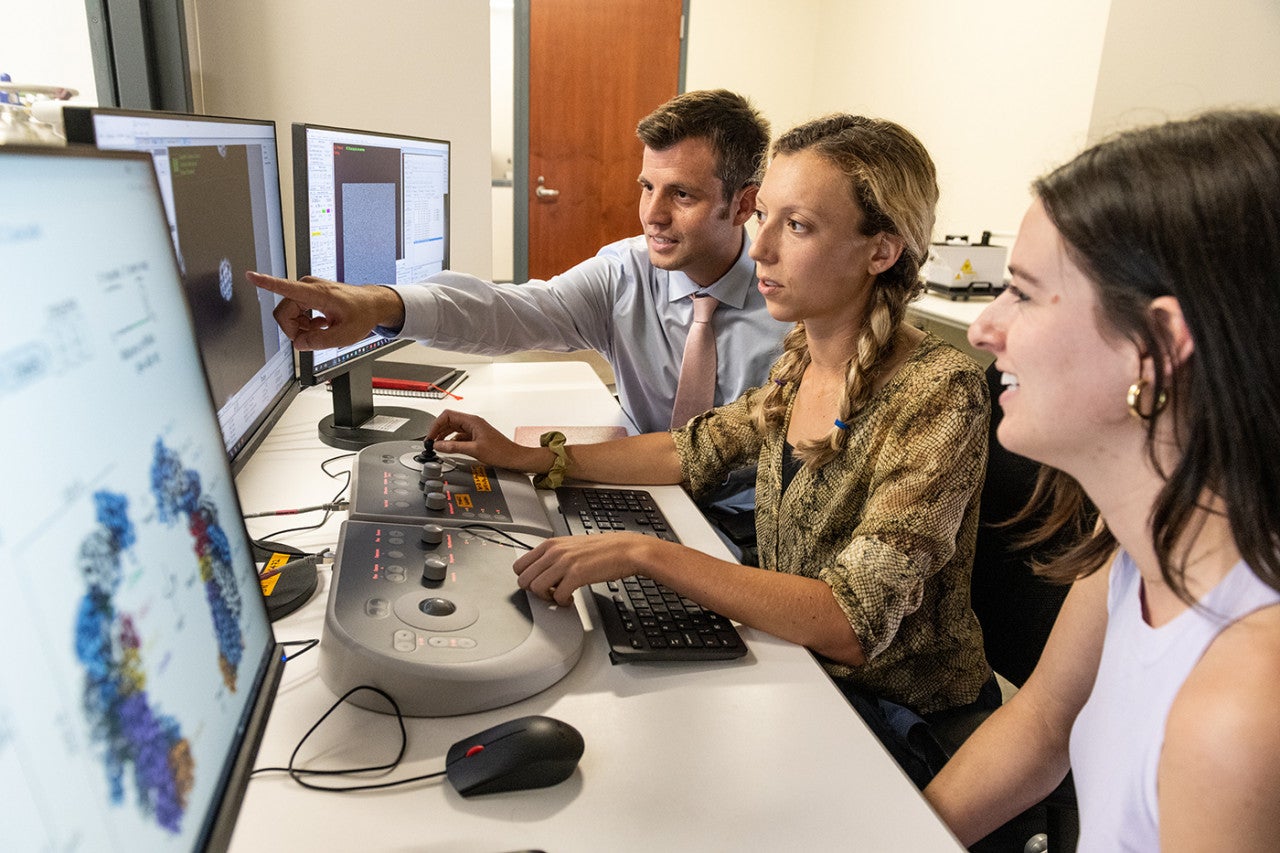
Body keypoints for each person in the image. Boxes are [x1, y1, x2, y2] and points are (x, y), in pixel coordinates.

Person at [425, 114, 995, 785]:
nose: (761, 251)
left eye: (800, 226)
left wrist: (646, 553)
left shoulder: (940, 391)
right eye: (768, 218)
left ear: (881, 250)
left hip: (896, 719)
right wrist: (535, 459)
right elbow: (691, 450)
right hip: (805, 670)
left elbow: (852, 620)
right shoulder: (804, 357)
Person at [923, 111, 1280, 850]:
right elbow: (1043, 721)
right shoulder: (1134, 544)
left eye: (1022, 292)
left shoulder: (1244, 703)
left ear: (1156, 348)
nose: (986, 328)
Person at [248, 89, 786, 439]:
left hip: (746, 531)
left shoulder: (795, 308)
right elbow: (510, 312)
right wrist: (380, 303)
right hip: (645, 488)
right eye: (647, 187)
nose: (653, 215)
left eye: (682, 196)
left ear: (742, 203)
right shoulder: (625, 273)